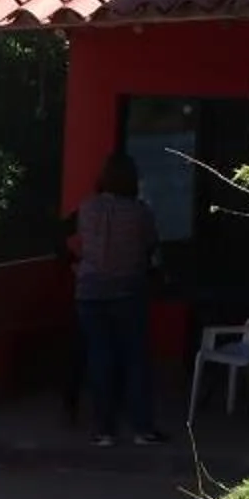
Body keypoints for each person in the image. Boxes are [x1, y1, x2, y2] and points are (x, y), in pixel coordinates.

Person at [73, 149, 165, 446]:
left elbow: (78, 238)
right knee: (135, 359)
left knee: (100, 358)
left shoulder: (87, 208)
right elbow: (151, 246)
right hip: (127, 290)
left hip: (89, 292)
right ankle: (142, 429)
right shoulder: (140, 212)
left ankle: (103, 430)